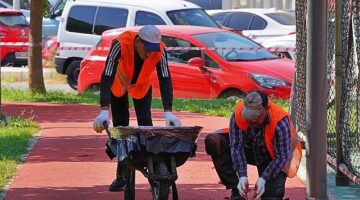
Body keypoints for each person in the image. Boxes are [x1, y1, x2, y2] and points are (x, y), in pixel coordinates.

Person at [92, 25, 181, 192]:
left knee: (146, 125)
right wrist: (104, 109)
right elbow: (107, 74)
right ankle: (122, 174)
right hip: (119, 85)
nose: (149, 54)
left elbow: (165, 78)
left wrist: (168, 111)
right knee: (121, 127)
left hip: (141, 86)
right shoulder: (120, 44)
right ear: (138, 41)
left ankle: (155, 175)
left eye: (152, 50)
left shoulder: (159, 50)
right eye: (146, 49)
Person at [205, 90, 301, 200]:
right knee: (214, 141)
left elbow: (282, 156)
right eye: (249, 117)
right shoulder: (238, 114)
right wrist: (242, 175)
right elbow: (236, 147)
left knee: (270, 197)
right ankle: (237, 190)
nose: (252, 120)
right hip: (250, 149)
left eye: (256, 116)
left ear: (266, 109)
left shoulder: (280, 121)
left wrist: (264, 178)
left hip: (274, 156)